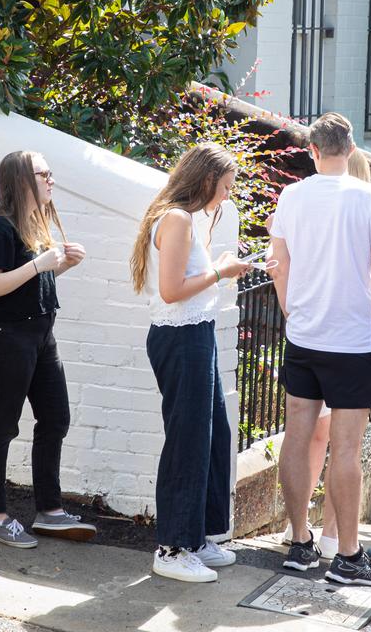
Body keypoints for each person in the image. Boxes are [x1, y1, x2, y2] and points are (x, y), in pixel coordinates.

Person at [270, 113, 371, 586]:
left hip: (304, 338)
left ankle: (300, 543)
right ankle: (348, 556)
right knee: (345, 448)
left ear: (312, 151)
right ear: (350, 150)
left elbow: (277, 264)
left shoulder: (291, 195)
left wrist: (292, 313)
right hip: (351, 341)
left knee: (297, 437)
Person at [131, 143, 249, 583]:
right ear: (205, 181)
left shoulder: (182, 218)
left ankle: (197, 536)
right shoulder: (178, 219)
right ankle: (172, 547)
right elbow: (171, 290)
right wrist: (221, 272)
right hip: (181, 338)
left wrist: (218, 265)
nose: (224, 197)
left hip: (195, 333)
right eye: (223, 188)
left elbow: (184, 281)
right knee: (188, 440)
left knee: (212, 433)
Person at [0, 150, 95, 548]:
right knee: (3, 425)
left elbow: (29, 279)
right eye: (44, 173)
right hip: (7, 337)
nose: (51, 180)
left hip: (41, 335)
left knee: (56, 418)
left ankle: (50, 510)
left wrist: (61, 266)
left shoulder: (34, 222)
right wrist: (40, 265)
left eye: (50, 172)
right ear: (21, 179)